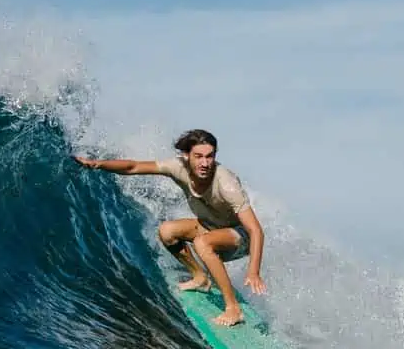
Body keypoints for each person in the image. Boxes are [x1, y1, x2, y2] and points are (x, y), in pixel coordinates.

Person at [75, 129, 266, 327]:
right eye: (198, 156)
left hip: (240, 238)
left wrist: (253, 271)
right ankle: (200, 277)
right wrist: (98, 164)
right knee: (167, 231)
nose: (205, 163)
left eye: (210, 157)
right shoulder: (177, 167)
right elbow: (133, 167)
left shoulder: (226, 184)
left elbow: (256, 230)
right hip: (210, 227)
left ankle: (233, 308)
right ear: (186, 156)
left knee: (202, 243)